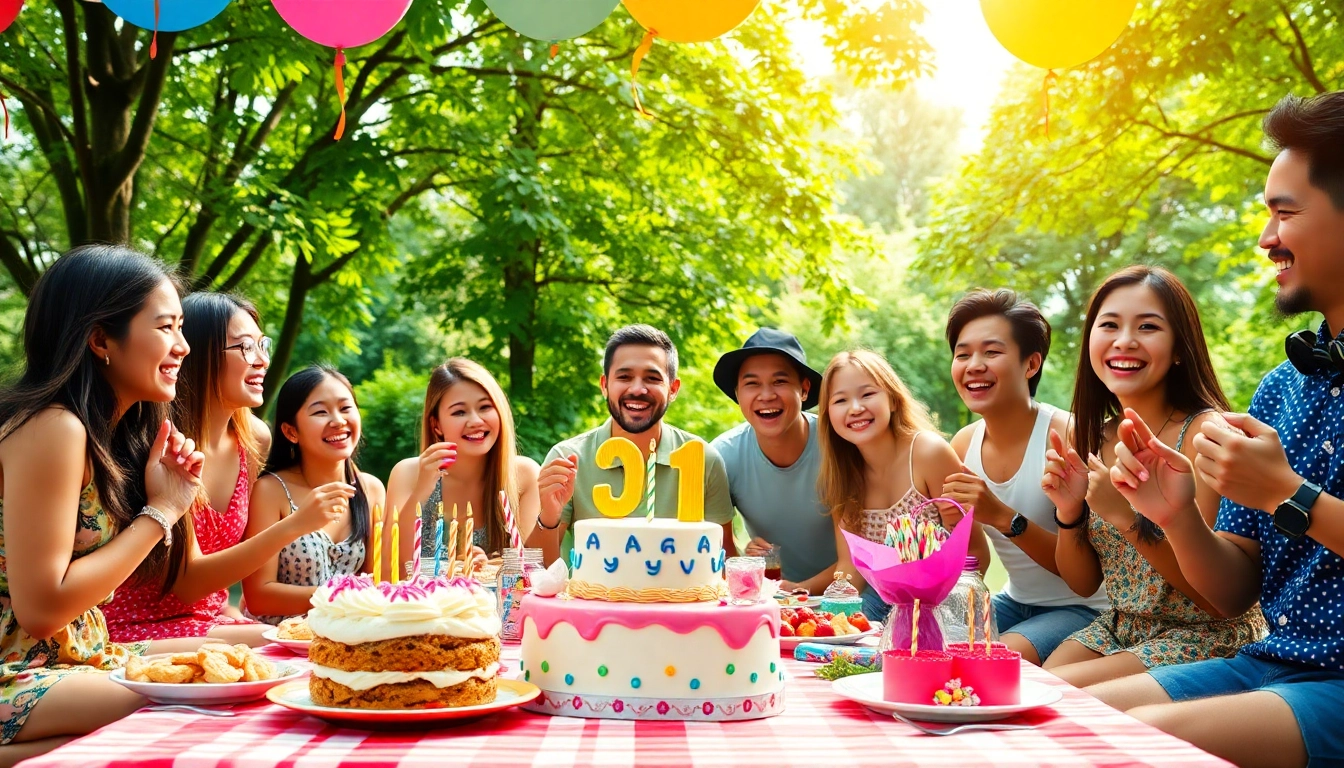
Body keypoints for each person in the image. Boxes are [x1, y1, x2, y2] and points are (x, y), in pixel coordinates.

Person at [1087, 92, 1344, 768]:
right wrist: (1175, 519)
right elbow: (1234, 593)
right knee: (1072, 719)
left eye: (1284, 213)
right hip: (1269, 664)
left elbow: (1293, 503)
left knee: (1130, 744)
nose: (1266, 239)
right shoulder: (1278, 390)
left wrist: (1290, 495)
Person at [0, 245, 207, 763]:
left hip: (81, 659)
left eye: (182, 328)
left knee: (247, 655)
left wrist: (164, 496)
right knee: (186, 706)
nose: (183, 346)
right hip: (17, 672)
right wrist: (162, 511)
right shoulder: (53, 427)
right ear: (99, 339)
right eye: (165, 328)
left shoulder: (107, 438)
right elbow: (43, 609)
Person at [1040, 266, 1265, 688]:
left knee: (1055, 699)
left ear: (1180, 348)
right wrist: (1069, 512)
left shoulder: (1206, 435)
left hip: (1204, 636)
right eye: (1109, 325)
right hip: (1122, 626)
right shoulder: (1089, 434)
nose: (1125, 340)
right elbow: (1084, 583)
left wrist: (1126, 516)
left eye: (1147, 326)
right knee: (1026, 688)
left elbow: (1216, 602)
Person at [101, 293, 335, 645]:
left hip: (208, 623)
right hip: (132, 628)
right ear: (198, 354)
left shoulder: (254, 440)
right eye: (244, 348)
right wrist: (295, 526)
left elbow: (228, 574)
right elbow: (188, 583)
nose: (261, 361)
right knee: (302, 643)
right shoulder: (161, 444)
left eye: (262, 345)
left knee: (312, 639)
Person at [941, 289, 1108, 664]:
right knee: (928, 647)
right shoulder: (964, 443)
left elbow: (1088, 575)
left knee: (990, 661)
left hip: (1084, 609)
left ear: (1031, 365)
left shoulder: (1068, 437)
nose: (974, 365)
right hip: (1014, 601)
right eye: (962, 354)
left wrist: (1001, 516)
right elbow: (969, 555)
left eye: (992, 352)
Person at [535, 325, 735, 560]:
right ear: (604, 385)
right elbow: (537, 570)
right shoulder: (568, 458)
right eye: (624, 377)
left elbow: (724, 559)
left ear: (673, 389)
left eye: (652, 378)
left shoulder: (703, 459)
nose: (638, 389)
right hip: (589, 597)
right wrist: (548, 516)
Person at [817, 349, 986, 622]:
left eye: (868, 394)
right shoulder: (841, 476)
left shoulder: (928, 454)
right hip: (880, 599)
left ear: (893, 400)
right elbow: (850, 566)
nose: (856, 408)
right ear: (828, 415)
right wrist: (833, 615)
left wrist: (938, 616)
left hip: (942, 602)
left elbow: (975, 553)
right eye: (840, 400)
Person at [241, 366, 382, 622]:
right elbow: (258, 597)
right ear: (290, 432)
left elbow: (376, 581)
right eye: (320, 412)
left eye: (346, 408)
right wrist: (341, 596)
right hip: (278, 643)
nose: (338, 420)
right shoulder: (271, 491)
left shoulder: (371, 489)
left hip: (346, 639)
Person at [710, 328, 837, 594]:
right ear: (737, 394)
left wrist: (799, 591)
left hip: (850, 596)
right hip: (774, 601)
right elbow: (719, 556)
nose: (766, 395)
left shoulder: (838, 444)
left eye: (779, 381)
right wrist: (749, 562)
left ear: (803, 389)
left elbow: (864, 551)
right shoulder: (722, 456)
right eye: (752, 383)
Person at [388, 358, 542, 573]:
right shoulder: (408, 474)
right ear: (437, 425)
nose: (476, 420)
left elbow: (531, 571)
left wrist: (486, 568)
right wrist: (422, 490)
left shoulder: (524, 475)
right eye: (459, 412)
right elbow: (391, 570)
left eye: (485, 407)